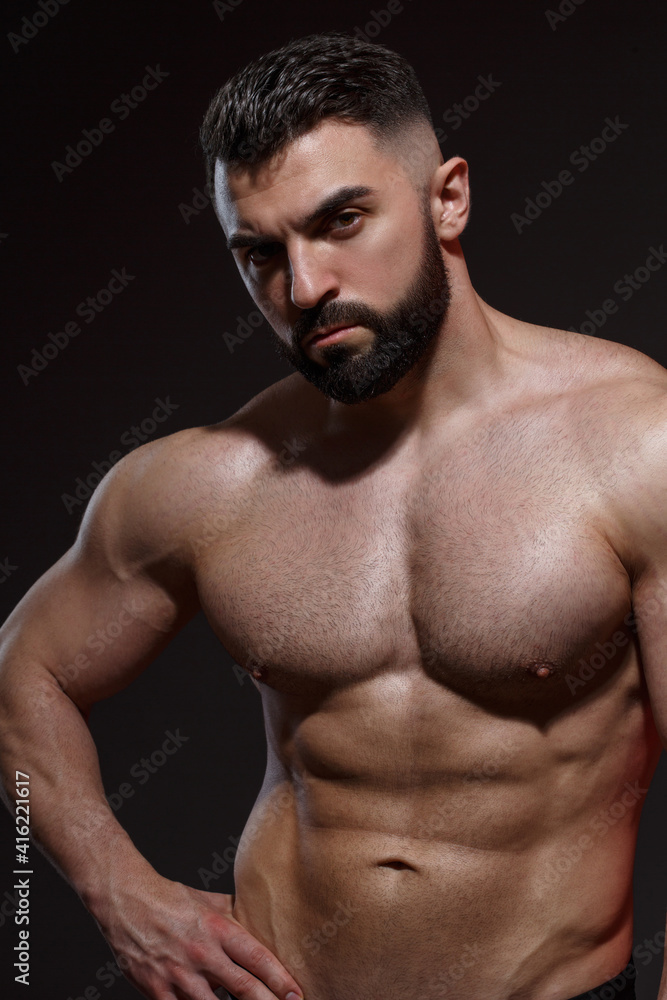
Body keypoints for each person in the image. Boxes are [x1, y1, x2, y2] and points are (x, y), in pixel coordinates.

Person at [0, 28, 665, 1000]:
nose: (304, 287)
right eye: (260, 253)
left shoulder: (637, 446)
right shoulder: (208, 479)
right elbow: (21, 673)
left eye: (341, 221)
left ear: (448, 198)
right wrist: (115, 890)